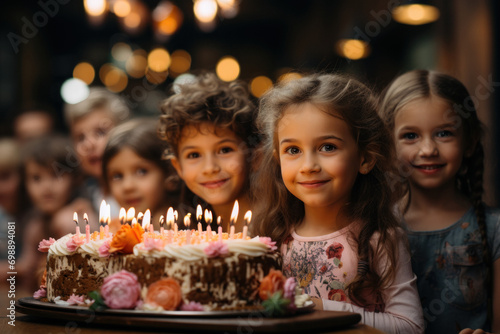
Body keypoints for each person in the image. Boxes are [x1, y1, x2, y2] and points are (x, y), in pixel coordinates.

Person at [252, 73, 424, 333]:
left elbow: (410, 326)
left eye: (328, 147)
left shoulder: (379, 238)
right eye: (293, 150)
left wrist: (322, 308)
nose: (309, 166)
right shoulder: (271, 237)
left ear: (365, 157)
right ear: (277, 159)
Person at [379, 70, 500, 334]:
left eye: (444, 133)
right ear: (389, 145)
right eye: (410, 136)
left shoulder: (494, 229)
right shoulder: (375, 227)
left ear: (469, 142)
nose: (428, 150)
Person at [158, 72, 259, 231]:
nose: (210, 168)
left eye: (225, 150)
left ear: (254, 156)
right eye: (194, 155)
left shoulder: (277, 230)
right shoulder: (186, 234)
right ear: (178, 167)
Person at [5, 135, 97, 291]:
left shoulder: (77, 214)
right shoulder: (35, 222)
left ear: (74, 179)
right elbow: (27, 269)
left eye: (56, 175)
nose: (46, 187)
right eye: (36, 178)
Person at [102, 118, 180, 232]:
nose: (128, 186)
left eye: (141, 172)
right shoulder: (114, 231)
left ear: (169, 175)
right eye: (117, 176)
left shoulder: (185, 232)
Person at [64, 87, 130, 219]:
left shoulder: (146, 190)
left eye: (100, 132)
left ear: (124, 131)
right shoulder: (77, 200)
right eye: (80, 138)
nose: (89, 144)